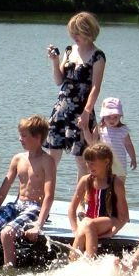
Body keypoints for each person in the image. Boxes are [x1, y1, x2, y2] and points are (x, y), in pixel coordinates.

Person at [0, 115, 56, 267]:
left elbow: (49, 195)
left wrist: (38, 225)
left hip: (35, 208)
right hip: (17, 205)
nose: (20, 139)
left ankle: (9, 272)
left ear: (37, 137)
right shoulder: (18, 159)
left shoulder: (47, 161)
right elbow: (3, 191)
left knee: (6, 233)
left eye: (24, 136)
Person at [44, 11, 106, 188]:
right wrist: (55, 61)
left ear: (88, 32)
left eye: (77, 33)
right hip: (61, 109)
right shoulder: (69, 50)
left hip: (81, 111)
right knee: (52, 156)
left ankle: (80, 199)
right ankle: (45, 196)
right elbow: (59, 81)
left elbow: (95, 87)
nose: (74, 36)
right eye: (72, 33)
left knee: (81, 159)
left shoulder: (98, 56)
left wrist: (86, 112)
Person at [67, 142, 128, 259]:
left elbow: (124, 216)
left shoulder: (116, 183)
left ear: (106, 162)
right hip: (90, 222)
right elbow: (72, 208)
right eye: (87, 162)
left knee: (88, 223)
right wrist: (75, 230)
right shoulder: (85, 180)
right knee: (85, 225)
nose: (89, 166)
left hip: (109, 220)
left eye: (93, 163)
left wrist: (113, 232)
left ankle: (90, 260)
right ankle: (73, 263)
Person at [85, 97, 137, 178]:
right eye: (109, 117)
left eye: (115, 117)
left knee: (119, 181)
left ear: (120, 116)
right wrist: (85, 128)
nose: (112, 120)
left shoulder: (123, 129)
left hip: (120, 162)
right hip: (103, 161)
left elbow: (128, 144)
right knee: (103, 181)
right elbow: (92, 142)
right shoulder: (99, 128)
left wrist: (133, 158)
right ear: (103, 116)